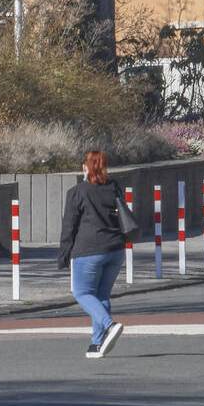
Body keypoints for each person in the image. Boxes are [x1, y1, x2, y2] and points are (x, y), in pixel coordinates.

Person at [58, 149, 134, 358]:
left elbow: (69, 226)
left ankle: (109, 325)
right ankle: (96, 343)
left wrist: (63, 253)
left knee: (82, 293)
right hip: (115, 249)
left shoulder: (78, 192)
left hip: (88, 249)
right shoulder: (114, 188)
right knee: (101, 295)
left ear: (85, 166)